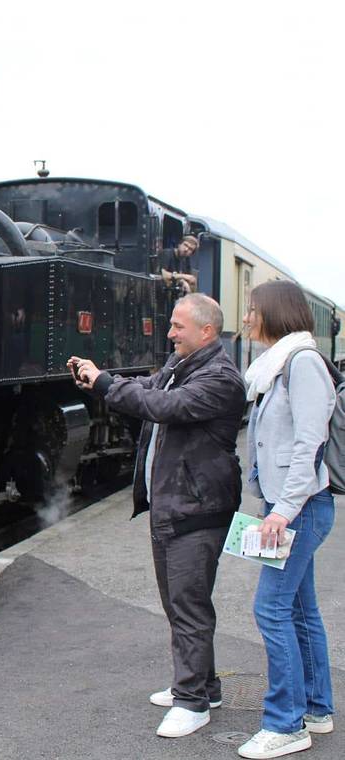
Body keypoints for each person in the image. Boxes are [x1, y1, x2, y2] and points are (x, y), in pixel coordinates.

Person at [68, 293, 246, 739]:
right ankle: (204, 686)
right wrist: (102, 379)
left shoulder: (220, 379)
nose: (169, 333)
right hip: (174, 502)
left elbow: (163, 407)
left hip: (197, 507)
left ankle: (192, 702)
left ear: (206, 331)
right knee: (178, 601)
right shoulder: (180, 365)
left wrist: (107, 383)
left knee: (188, 605)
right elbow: (150, 389)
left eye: (177, 327)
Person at [236, 280, 336, 759]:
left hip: (299, 510)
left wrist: (280, 512)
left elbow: (310, 444)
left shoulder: (303, 364)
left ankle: (286, 723)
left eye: (253, 309)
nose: (247, 317)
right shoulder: (276, 366)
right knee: (299, 610)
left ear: (275, 312)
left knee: (270, 610)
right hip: (288, 508)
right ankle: (316, 709)